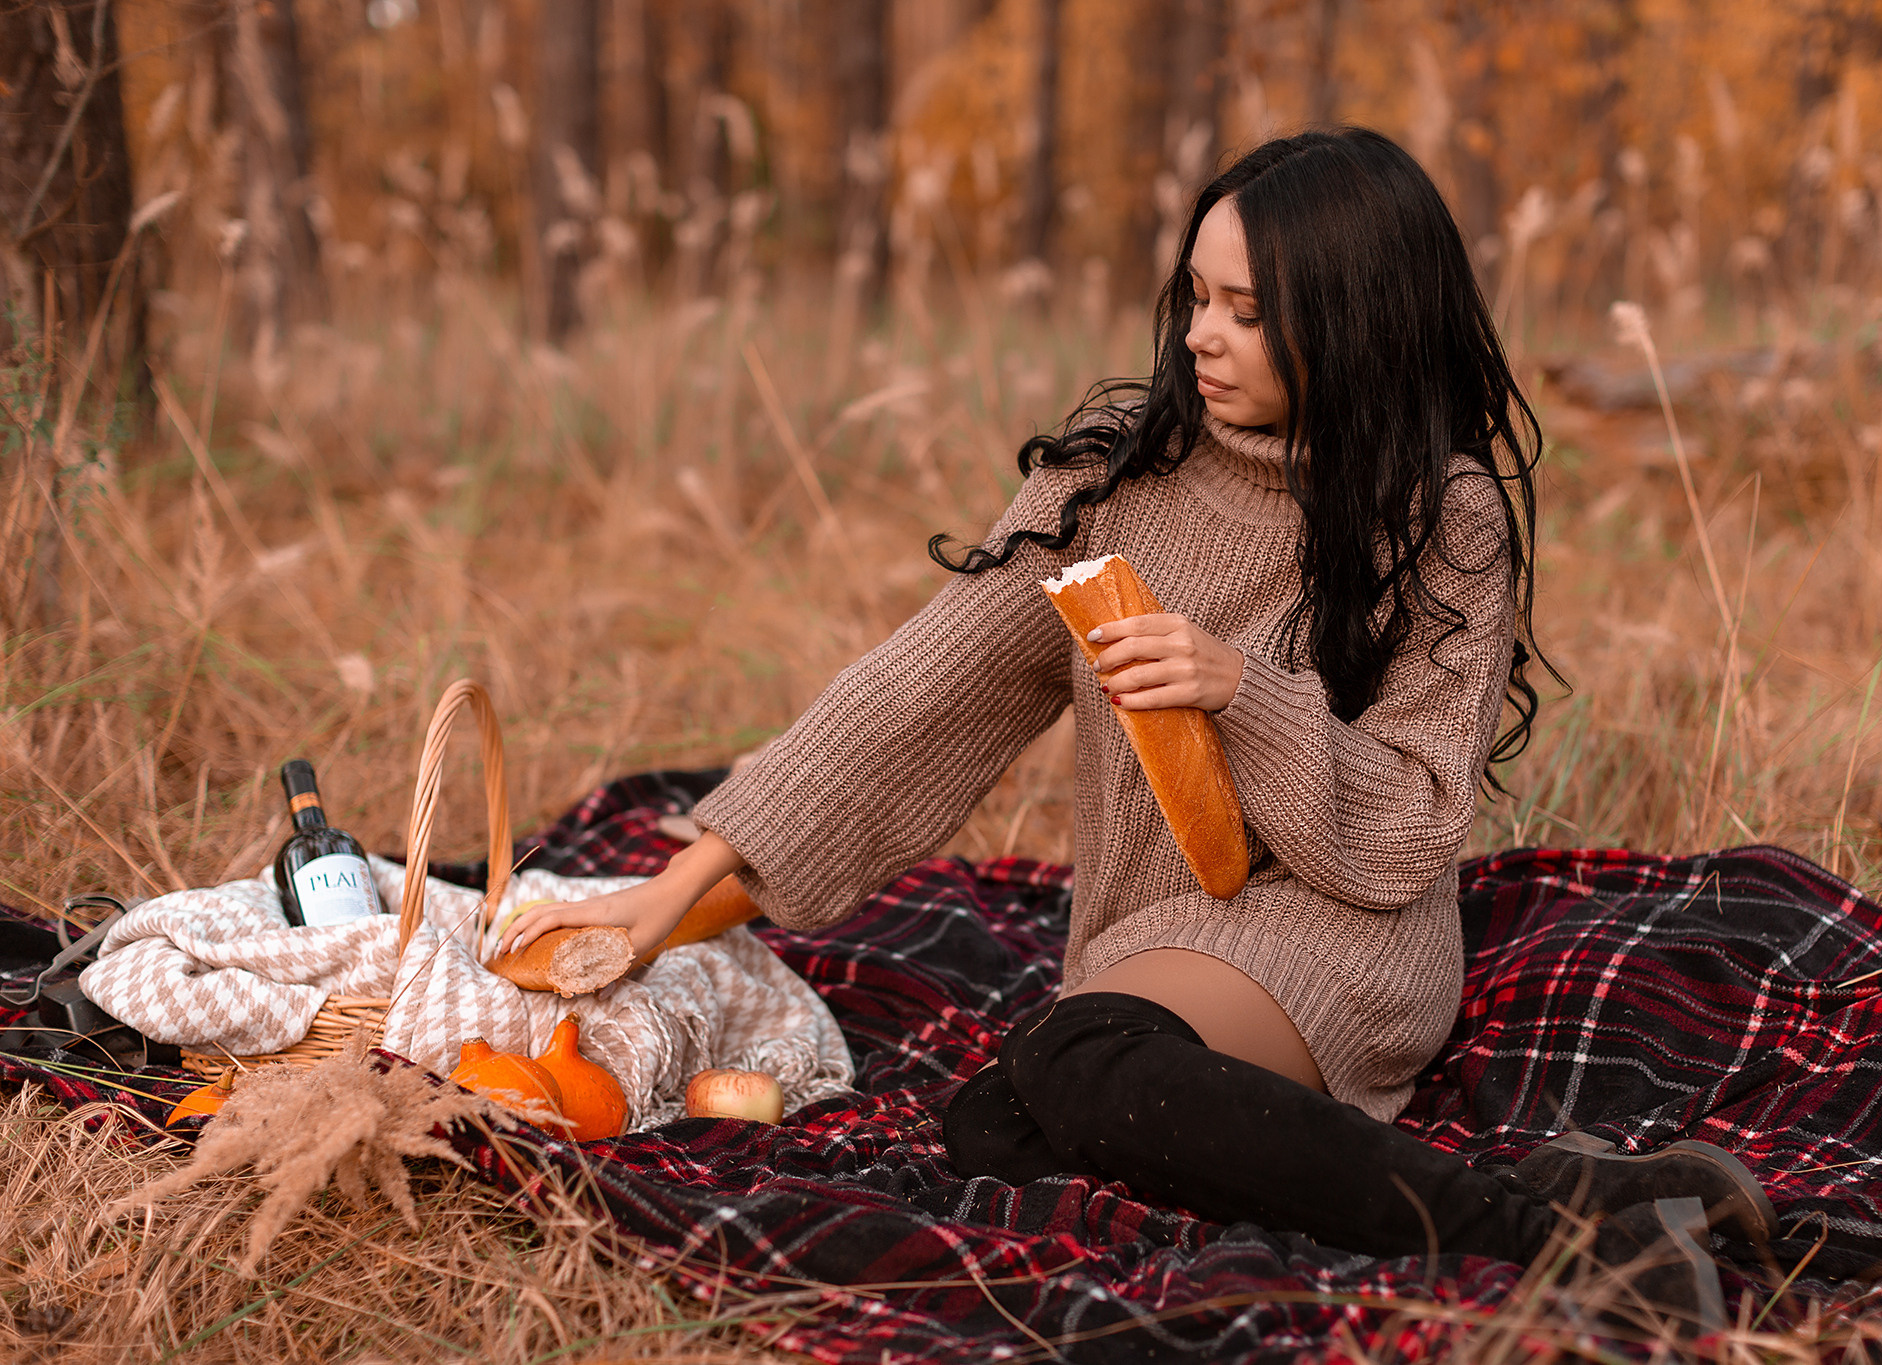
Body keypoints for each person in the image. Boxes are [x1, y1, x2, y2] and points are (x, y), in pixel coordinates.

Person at [500, 128, 1775, 1329]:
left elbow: (1409, 828)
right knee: (998, 1126)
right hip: (1157, 929)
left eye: (1248, 312)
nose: (1202, 339)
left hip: (1343, 927)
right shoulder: (1113, 477)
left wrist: (1242, 691)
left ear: (1352, 319)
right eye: (1196, 299)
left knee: (1083, 1060)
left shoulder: (1443, 517)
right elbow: (907, 697)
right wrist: (668, 893)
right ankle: (1588, 1191)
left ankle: (1551, 1237)